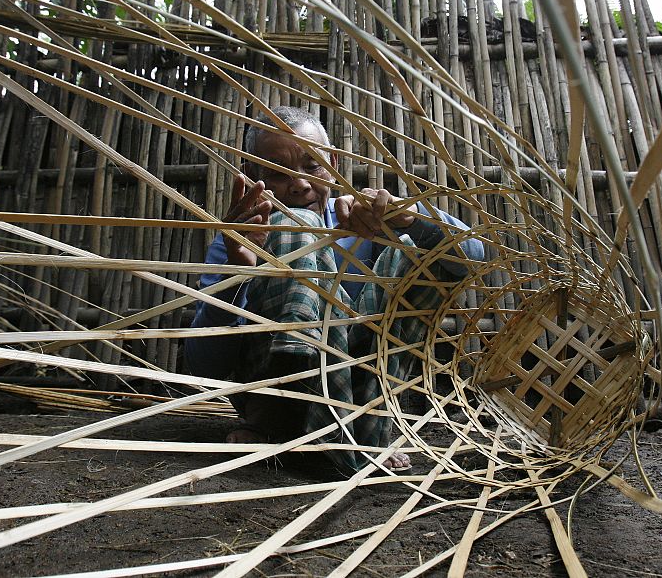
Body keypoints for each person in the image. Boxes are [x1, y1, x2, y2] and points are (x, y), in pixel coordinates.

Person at [185, 106, 484, 474]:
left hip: (363, 403)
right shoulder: (242, 239)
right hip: (277, 398)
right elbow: (203, 364)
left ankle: (365, 427)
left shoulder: (365, 224)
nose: (299, 184)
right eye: (278, 173)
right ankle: (277, 416)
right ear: (251, 176)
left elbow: (471, 260)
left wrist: (409, 219)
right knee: (296, 225)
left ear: (334, 163)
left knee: (412, 257)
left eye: (313, 166)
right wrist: (238, 273)